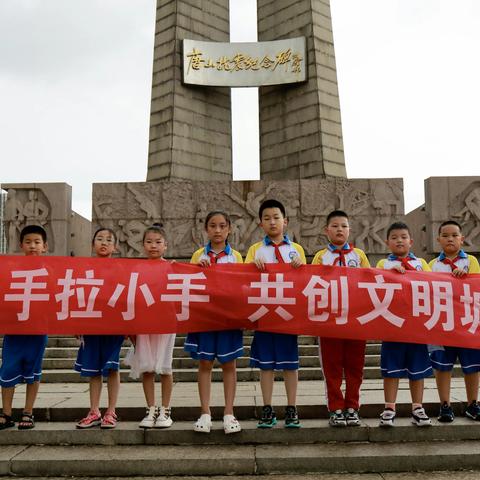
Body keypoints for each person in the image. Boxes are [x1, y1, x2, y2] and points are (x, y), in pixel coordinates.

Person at [245, 199, 305, 429]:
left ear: (285, 221)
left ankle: (292, 407)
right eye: (267, 218)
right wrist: (253, 267)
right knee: (266, 365)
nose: (272, 222)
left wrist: (301, 267)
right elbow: (243, 283)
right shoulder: (255, 250)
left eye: (276, 217)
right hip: (265, 314)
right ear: (261, 224)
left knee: (291, 364)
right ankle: (267, 407)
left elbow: (304, 284)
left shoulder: (296, 250)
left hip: (288, 315)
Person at [184, 211, 244, 434]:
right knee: (205, 364)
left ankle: (229, 413)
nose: (217, 231)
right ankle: (205, 412)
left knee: (229, 365)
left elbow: (241, 288)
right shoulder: (197, 255)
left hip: (228, 318)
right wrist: (197, 270)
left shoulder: (236, 257)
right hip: (205, 318)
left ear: (229, 228)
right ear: (206, 229)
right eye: (212, 226)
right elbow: (189, 285)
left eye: (222, 226)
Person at [311, 210, 370, 427]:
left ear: (349, 230)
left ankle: (352, 406)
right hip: (330, 321)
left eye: (343, 226)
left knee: (355, 366)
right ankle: (336, 408)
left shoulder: (359, 256)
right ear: (326, 231)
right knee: (332, 367)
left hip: (356, 321)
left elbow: (369, 285)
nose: (339, 230)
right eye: (335, 226)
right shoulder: (320, 257)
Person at [376, 222, 432, 427]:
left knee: (417, 368)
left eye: (403, 237)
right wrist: (391, 274)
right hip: (392, 325)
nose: (399, 240)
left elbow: (432, 286)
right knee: (391, 369)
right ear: (387, 242)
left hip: (416, 326)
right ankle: (389, 408)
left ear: (411, 241)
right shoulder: (382, 265)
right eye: (394, 237)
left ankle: (418, 407)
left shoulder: (422, 264)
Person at [124, 224, 175, 429]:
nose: (153, 246)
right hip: (144, 323)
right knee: (146, 367)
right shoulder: (137, 269)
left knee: (165, 366)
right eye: (149, 242)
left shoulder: (171, 267)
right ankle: (150, 409)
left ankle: (165, 409)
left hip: (165, 323)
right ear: (143, 245)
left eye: (158, 242)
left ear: (165, 246)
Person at [428, 220, 480, 422]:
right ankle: (445, 405)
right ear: (438, 239)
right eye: (445, 235)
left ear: (462, 238)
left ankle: (472, 403)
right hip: (441, 324)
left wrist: (465, 278)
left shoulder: (472, 262)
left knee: (473, 366)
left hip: (467, 324)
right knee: (442, 366)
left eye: (454, 235)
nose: (450, 239)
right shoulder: (432, 265)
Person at [0, 225, 49, 430]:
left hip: (38, 330)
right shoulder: (11, 269)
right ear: (21, 245)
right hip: (14, 329)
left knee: (33, 371)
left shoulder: (52, 269)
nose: (32, 246)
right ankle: (6, 412)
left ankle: (28, 412)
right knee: (7, 369)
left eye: (37, 242)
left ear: (45, 246)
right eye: (28, 242)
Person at [74, 228, 124, 429]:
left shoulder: (121, 269)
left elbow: (127, 297)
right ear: (93, 244)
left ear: (115, 246)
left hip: (114, 325)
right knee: (93, 369)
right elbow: (77, 295)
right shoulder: (85, 268)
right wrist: (76, 323)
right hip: (91, 323)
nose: (104, 242)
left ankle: (111, 411)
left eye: (109, 240)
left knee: (112, 367)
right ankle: (94, 410)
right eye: (100, 239)